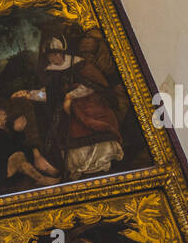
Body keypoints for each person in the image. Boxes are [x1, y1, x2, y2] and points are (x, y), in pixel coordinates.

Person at [14, 35, 124, 180]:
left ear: (61, 53)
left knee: (91, 123)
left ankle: (100, 163)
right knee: (67, 127)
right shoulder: (51, 71)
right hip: (68, 109)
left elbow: (94, 85)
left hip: (90, 102)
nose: (52, 59)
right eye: (49, 56)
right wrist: (29, 94)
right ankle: (81, 167)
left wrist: (70, 96)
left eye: (54, 54)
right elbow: (50, 94)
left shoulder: (81, 65)